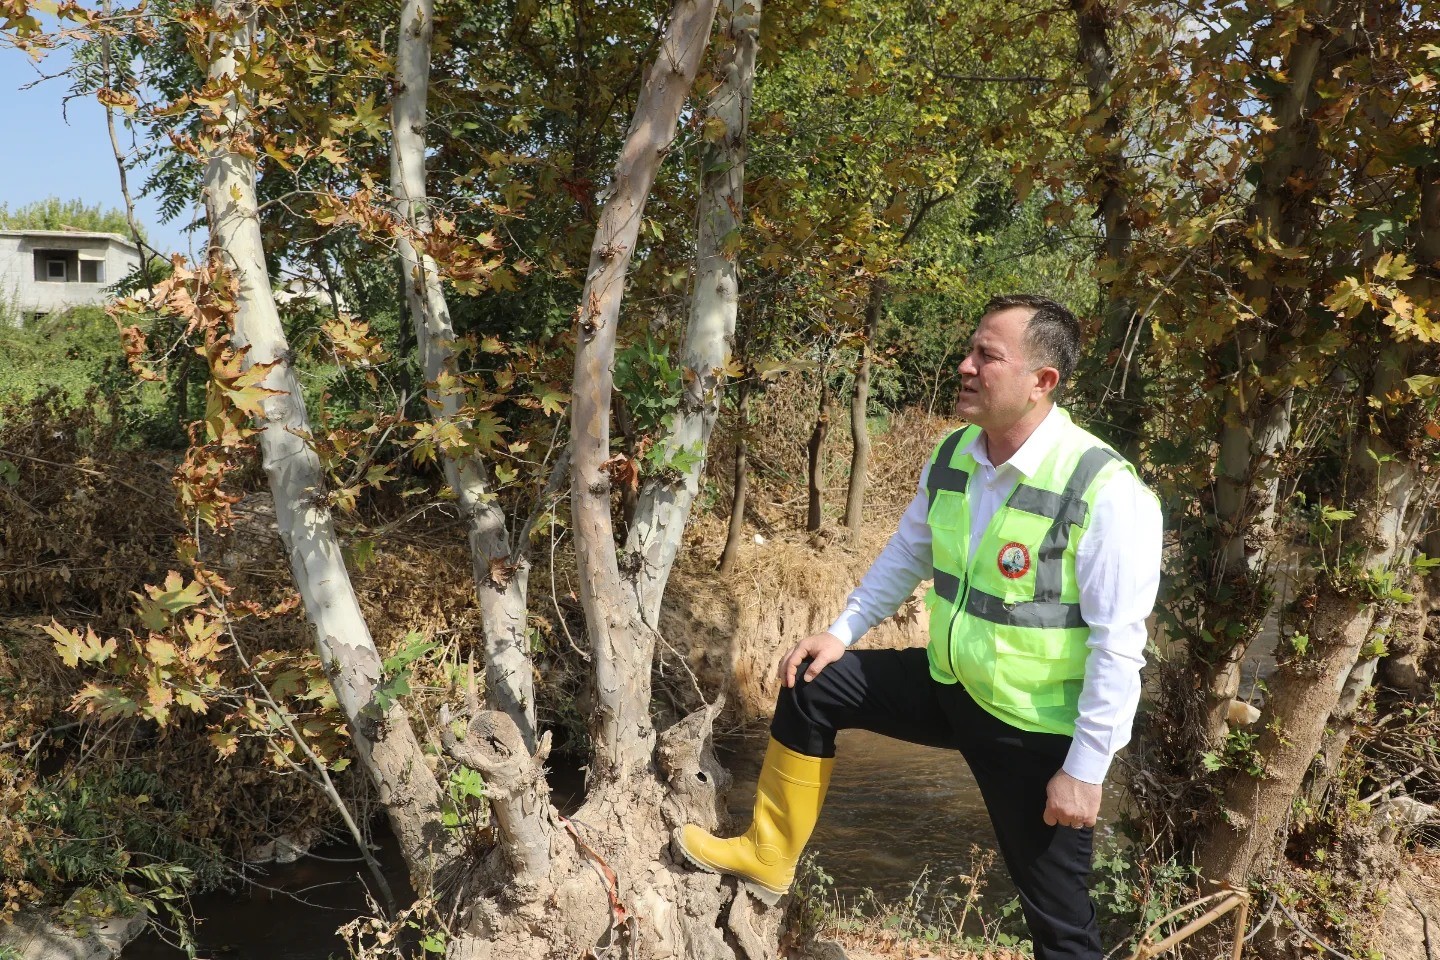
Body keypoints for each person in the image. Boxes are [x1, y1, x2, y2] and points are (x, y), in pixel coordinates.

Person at [677, 294, 1162, 960]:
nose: (965, 366)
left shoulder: (1105, 490)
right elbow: (908, 553)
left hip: (1033, 731)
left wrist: (1084, 769)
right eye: (969, 350)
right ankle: (767, 852)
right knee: (813, 681)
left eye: (987, 356)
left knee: (1060, 925)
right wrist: (842, 631)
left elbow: (1119, 647)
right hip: (949, 685)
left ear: (1042, 382)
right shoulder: (956, 452)